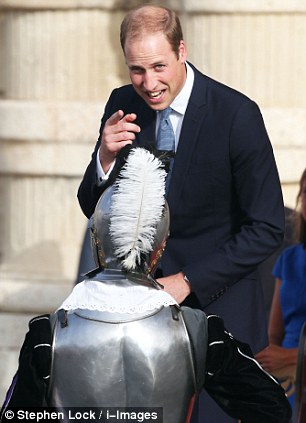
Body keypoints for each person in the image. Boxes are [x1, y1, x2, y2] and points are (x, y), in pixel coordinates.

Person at [77, 5, 285, 422]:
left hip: (221, 315)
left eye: (158, 66)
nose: (149, 84)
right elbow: (94, 207)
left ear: (182, 51)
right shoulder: (122, 102)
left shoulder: (237, 115)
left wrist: (188, 281)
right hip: (140, 321)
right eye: (137, 69)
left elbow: (266, 227)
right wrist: (103, 156)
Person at [1, 148, 291, 423]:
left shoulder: (47, 333)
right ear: (160, 248)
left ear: (96, 242)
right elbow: (271, 405)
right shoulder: (196, 329)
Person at [255, 168, 306, 411]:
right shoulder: (288, 259)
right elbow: (274, 334)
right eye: (305, 192)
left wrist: (292, 357)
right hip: (287, 381)